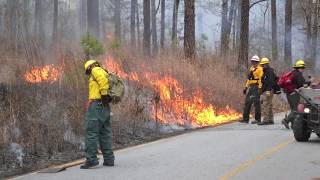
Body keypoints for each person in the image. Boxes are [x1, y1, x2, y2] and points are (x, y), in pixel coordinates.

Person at [81, 60, 115, 169]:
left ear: (89, 67)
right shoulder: (104, 71)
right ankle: (109, 159)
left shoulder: (95, 70)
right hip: (104, 106)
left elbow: (102, 81)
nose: (88, 74)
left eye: (87, 71)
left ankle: (91, 160)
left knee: (91, 132)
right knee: (105, 132)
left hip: (97, 105)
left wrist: (104, 95)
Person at [281, 60, 306, 129]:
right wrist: (308, 83)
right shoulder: (298, 74)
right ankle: (286, 120)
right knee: (296, 109)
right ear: (299, 68)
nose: (303, 69)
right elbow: (301, 84)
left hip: (288, 93)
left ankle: (293, 124)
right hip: (294, 93)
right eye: (302, 68)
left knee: (293, 109)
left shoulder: (292, 73)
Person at [240, 55, 263, 124]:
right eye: (252, 61)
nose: (253, 63)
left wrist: (260, 88)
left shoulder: (260, 69)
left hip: (256, 87)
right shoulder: (251, 68)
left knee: (256, 103)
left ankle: (258, 119)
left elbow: (260, 79)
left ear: (257, 62)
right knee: (247, 102)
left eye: (255, 61)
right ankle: (245, 119)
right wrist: (246, 87)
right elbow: (249, 79)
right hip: (251, 87)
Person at [258, 57, 277, 125]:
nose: (262, 66)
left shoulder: (269, 71)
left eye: (263, 65)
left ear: (266, 64)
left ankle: (265, 120)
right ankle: (270, 120)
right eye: (262, 65)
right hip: (266, 90)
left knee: (265, 105)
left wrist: (268, 90)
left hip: (268, 90)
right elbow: (264, 82)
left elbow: (271, 82)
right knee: (269, 104)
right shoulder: (265, 71)